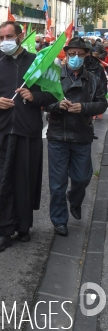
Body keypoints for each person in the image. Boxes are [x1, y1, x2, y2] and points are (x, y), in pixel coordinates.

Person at [0, 21, 57, 252]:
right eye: (1, 38)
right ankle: (3, 230)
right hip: (1, 132)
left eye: (8, 37)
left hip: (27, 132)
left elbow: (53, 95)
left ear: (20, 36)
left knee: (24, 180)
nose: (4, 42)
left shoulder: (37, 64)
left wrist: (35, 98)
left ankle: (24, 225)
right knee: (0, 181)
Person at [45, 37, 108, 236]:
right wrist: (57, 105)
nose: (76, 58)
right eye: (72, 54)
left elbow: (102, 103)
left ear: (86, 55)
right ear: (66, 54)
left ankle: (74, 200)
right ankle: (59, 220)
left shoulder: (94, 78)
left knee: (82, 178)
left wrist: (84, 108)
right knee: (57, 184)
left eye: (80, 54)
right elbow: (44, 102)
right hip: (57, 135)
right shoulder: (54, 76)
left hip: (82, 135)